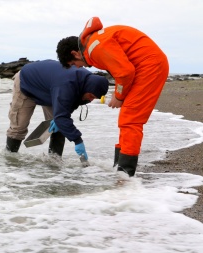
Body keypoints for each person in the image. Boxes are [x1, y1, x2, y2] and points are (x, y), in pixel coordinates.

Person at [56, 17, 169, 177]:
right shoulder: (94, 43)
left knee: (131, 120)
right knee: (125, 118)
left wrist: (119, 95)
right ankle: (119, 169)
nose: (78, 68)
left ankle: (125, 176)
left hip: (150, 66)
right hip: (145, 66)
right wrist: (119, 92)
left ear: (75, 54)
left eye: (74, 65)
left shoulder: (95, 48)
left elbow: (125, 72)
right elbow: (120, 68)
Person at [5, 59, 109, 161]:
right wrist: (78, 140)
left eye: (94, 98)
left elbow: (70, 104)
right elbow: (63, 113)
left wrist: (60, 118)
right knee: (18, 128)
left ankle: (54, 165)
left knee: (59, 127)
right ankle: (10, 161)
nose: (91, 100)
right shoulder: (66, 84)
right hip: (26, 83)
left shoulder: (86, 86)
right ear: (88, 88)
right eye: (91, 96)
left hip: (50, 89)